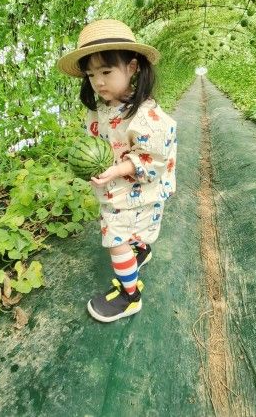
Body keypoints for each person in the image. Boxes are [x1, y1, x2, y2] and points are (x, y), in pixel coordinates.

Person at [56, 19, 177, 323]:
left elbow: (153, 158)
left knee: (115, 238)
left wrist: (115, 169)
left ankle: (130, 296)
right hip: (122, 190)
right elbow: (99, 140)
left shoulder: (147, 115)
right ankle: (141, 251)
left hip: (136, 190)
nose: (98, 81)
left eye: (106, 72)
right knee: (135, 231)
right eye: (92, 74)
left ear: (133, 67)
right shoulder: (102, 108)